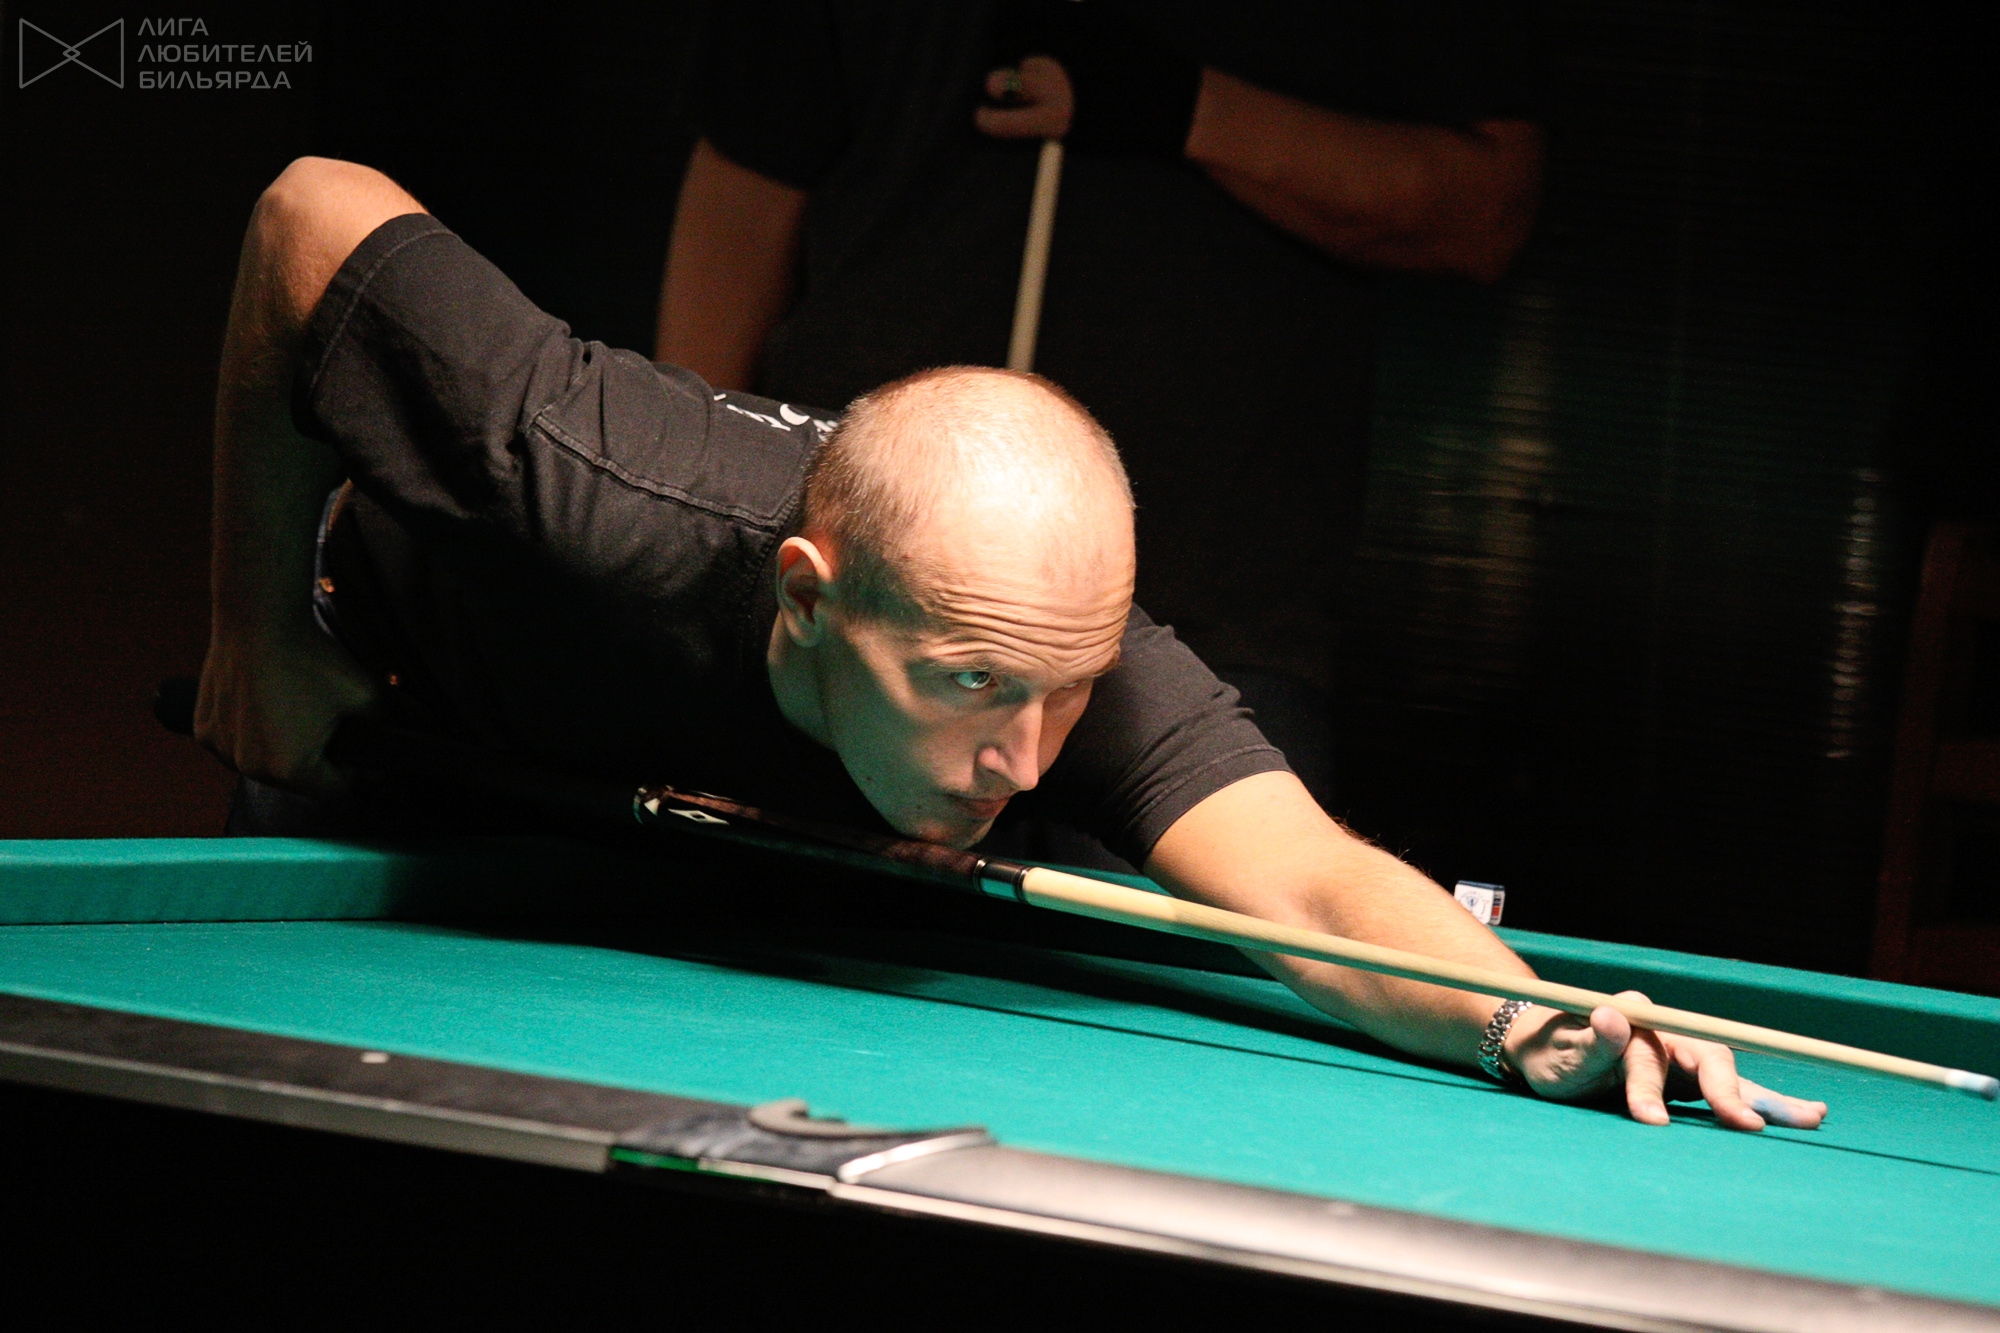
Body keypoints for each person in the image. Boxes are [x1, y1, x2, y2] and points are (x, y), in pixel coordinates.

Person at [199, 156, 1824, 1134]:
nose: (1027, 760)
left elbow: (1312, 882)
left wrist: (1529, 1019)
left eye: (1065, 690)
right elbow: (308, 213)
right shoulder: (584, 469)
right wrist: (254, 634)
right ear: (809, 599)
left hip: (667, 809)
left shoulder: (1066, 663)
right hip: (403, 731)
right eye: (971, 686)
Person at [660, 0, 1547, 814]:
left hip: (1215, 620)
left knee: (1220, 921)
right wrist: (693, 527)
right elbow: (744, 195)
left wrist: (1186, 109)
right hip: (866, 611)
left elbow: (1484, 212)